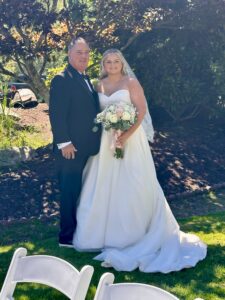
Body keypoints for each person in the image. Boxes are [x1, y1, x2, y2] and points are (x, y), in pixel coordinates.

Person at [73, 49, 207, 273]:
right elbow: (96, 111)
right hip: (106, 143)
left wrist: (125, 135)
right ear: (103, 64)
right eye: (108, 62)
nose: (113, 65)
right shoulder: (99, 84)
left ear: (122, 63)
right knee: (102, 184)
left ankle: (133, 234)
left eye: (116, 61)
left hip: (130, 141)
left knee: (132, 184)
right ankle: (98, 235)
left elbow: (141, 110)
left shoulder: (131, 82)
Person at [49, 37, 101, 247]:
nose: (84, 56)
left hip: (88, 147)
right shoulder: (62, 79)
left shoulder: (85, 78)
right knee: (69, 192)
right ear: (69, 54)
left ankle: (81, 229)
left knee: (82, 191)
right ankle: (66, 237)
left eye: (87, 52)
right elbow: (56, 114)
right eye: (79, 52)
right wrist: (64, 143)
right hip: (70, 149)